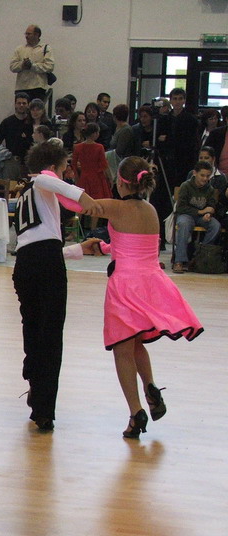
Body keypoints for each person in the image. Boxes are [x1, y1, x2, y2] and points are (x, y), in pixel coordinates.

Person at [87, 156, 203, 438]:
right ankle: (150, 386)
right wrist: (105, 248)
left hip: (125, 287)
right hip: (150, 284)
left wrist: (49, 180)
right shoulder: (151, 211)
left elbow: (80, 204)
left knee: (122, 349)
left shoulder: (116, 207)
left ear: (120, 182)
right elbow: (135, 246)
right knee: (137, 341)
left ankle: (136, 412)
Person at [11, 141, 102, 431]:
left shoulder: (27, 192)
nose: (64, 176)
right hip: (46, 266)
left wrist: (78, 249)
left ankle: (34, 381)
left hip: (25, 264)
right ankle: (44, 409)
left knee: (33, 327)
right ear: (52, 168)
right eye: (63, 170)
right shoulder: (43, 180)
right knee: (50, 335)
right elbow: (56, 186)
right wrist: (87, 200)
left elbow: (41, 245)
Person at [172, 160, 221, 273]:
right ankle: (179, 261)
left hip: (201, 217)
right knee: (184, 224)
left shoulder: (210, 189)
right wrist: (201, 211)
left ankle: (199, 256)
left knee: (215, 226)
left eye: (208, 176)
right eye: (202, 175)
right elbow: (181, 208)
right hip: (186, 215)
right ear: (195, 173)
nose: (205, 178)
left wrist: (208, 213)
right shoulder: (186, 186)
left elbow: (211, 205)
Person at [0, 93, 33, 180]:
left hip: (28, 163)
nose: (21, 105)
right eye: (19, 103)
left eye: (24, 103)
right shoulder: (7, 122)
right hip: (11, 161)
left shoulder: (32, 123)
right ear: (15, 104)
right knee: (9, 186)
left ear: (28, 105)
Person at [9, 24, 54, 101]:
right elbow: (12, 67)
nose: (26, 36)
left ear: (37, 35)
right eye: (25, 34)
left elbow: (49, 66)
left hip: (38, 88)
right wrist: (22, 65)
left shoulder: (46, 48)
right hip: (21, 88)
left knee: (36, 108)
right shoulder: (19, 49)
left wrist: (32, 66)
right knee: (21, 108)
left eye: (29, 34)